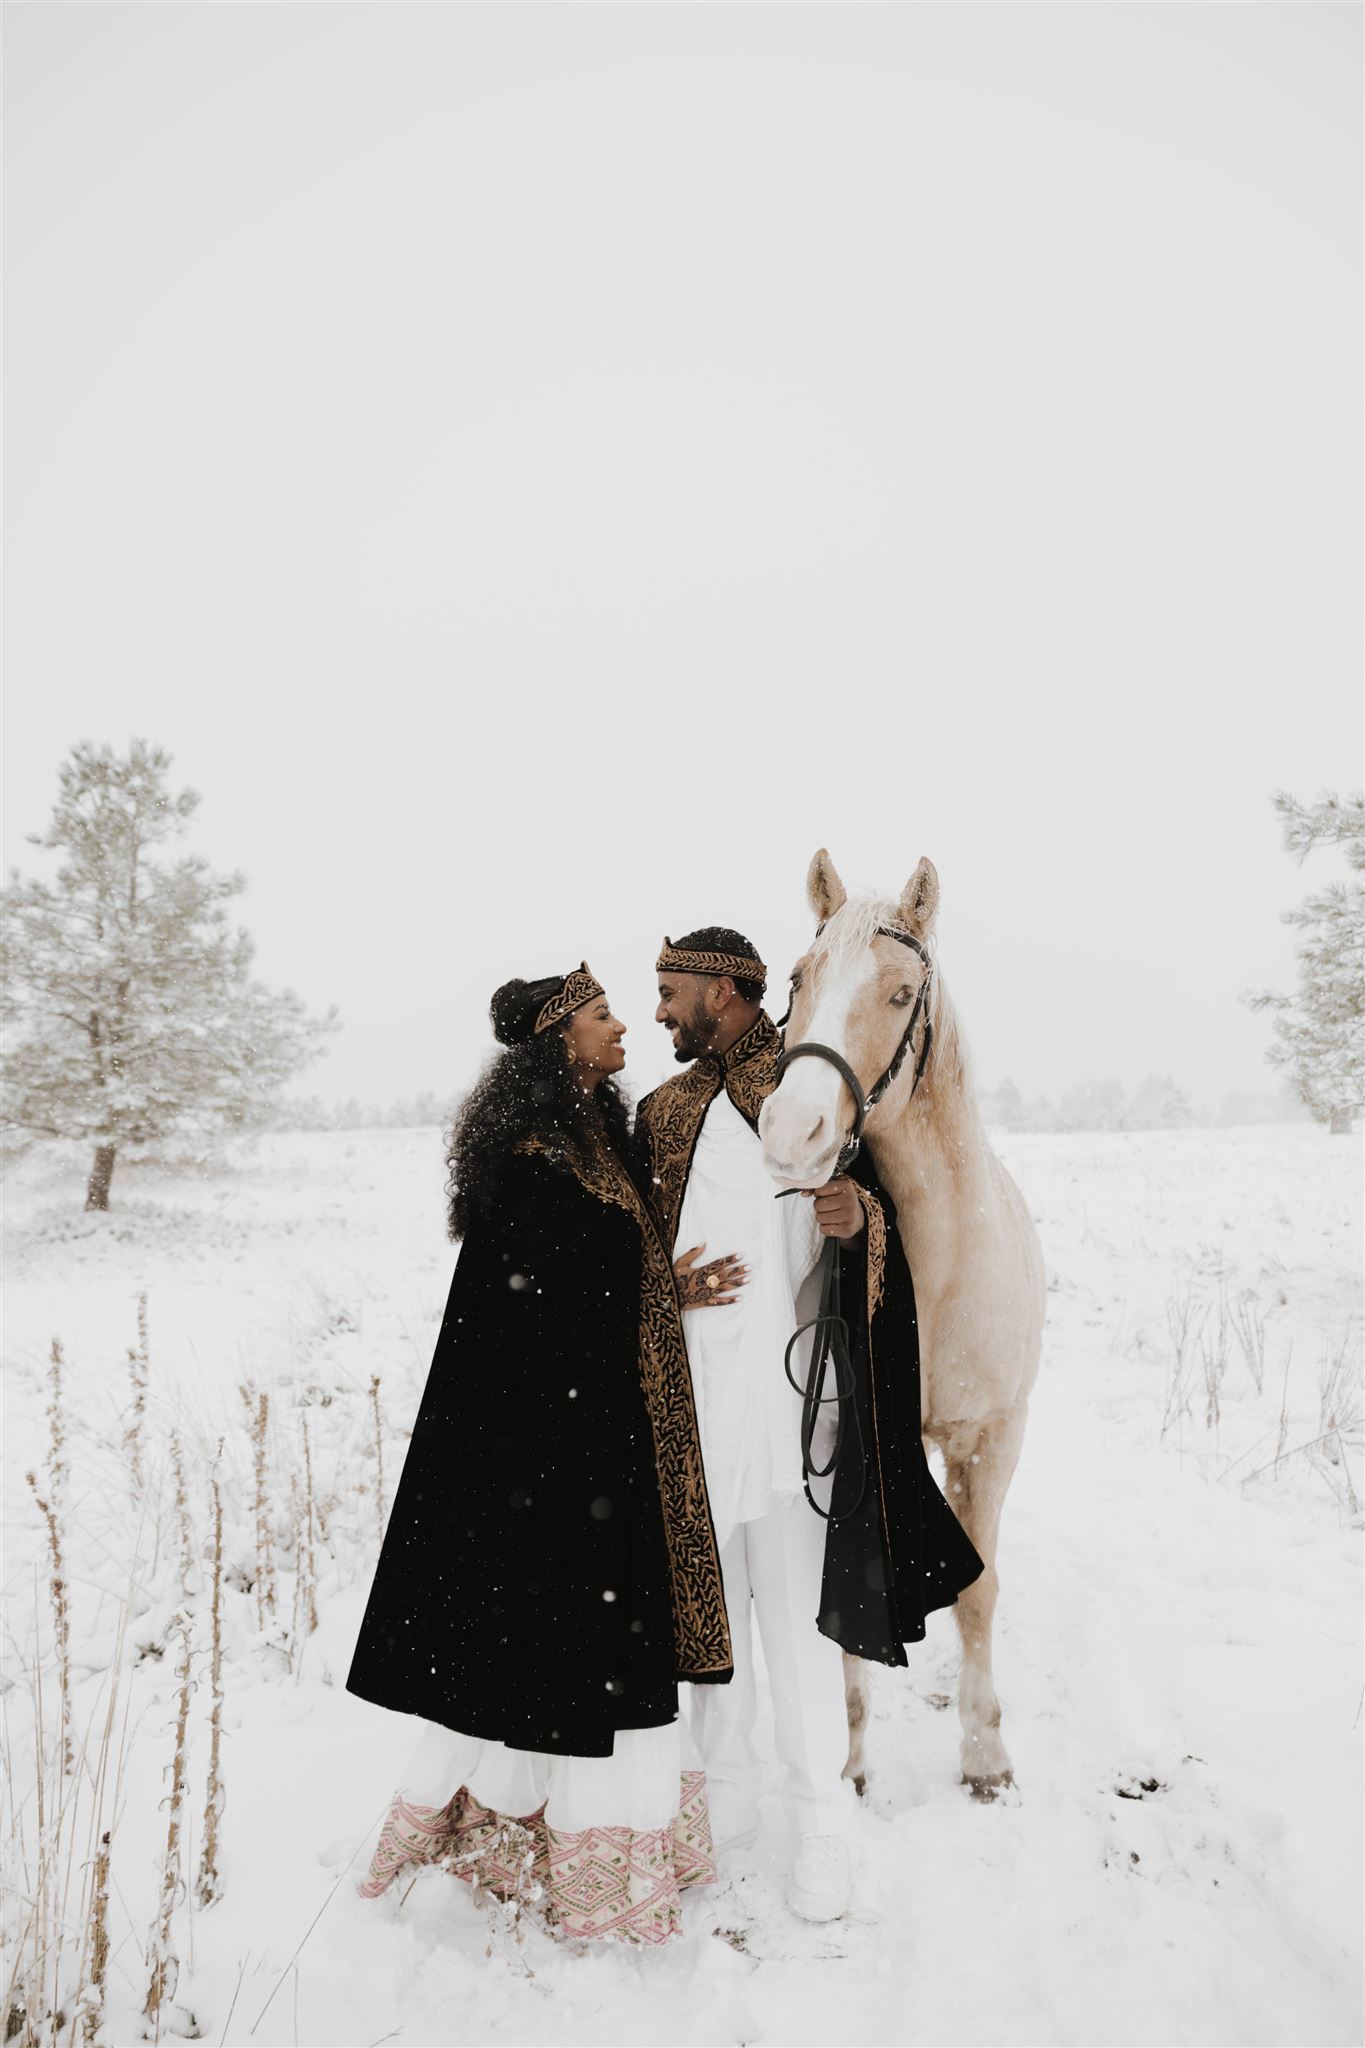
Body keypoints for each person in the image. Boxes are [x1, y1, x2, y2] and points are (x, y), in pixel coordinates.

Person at [346, 964, 739, 1945]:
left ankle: (586, 1842)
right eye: (604, 1017)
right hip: (553, 1453)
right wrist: (649, 1292)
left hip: (600, 1439)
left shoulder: (592, 1137)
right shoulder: (532, 1155)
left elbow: (604, 1277)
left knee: (585, 1648)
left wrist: (662, 1290)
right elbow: (535, 1311)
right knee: (564, 1646)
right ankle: (559, 1853)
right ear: (559, 1039)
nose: (622, 1031)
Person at [637, 929, 984, 1924]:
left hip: (791, 1421)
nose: (660, 1010)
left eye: (673, 992)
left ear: (727, 989)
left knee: (791, 1628)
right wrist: (664, 1284)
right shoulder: (660, 1113)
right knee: (711, 1632)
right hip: (694, 1412)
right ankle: (725, 1805)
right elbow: (630, 1250)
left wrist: (854, 1224)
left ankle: (821, 1824)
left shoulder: (808, 1099)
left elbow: (872, 1237)